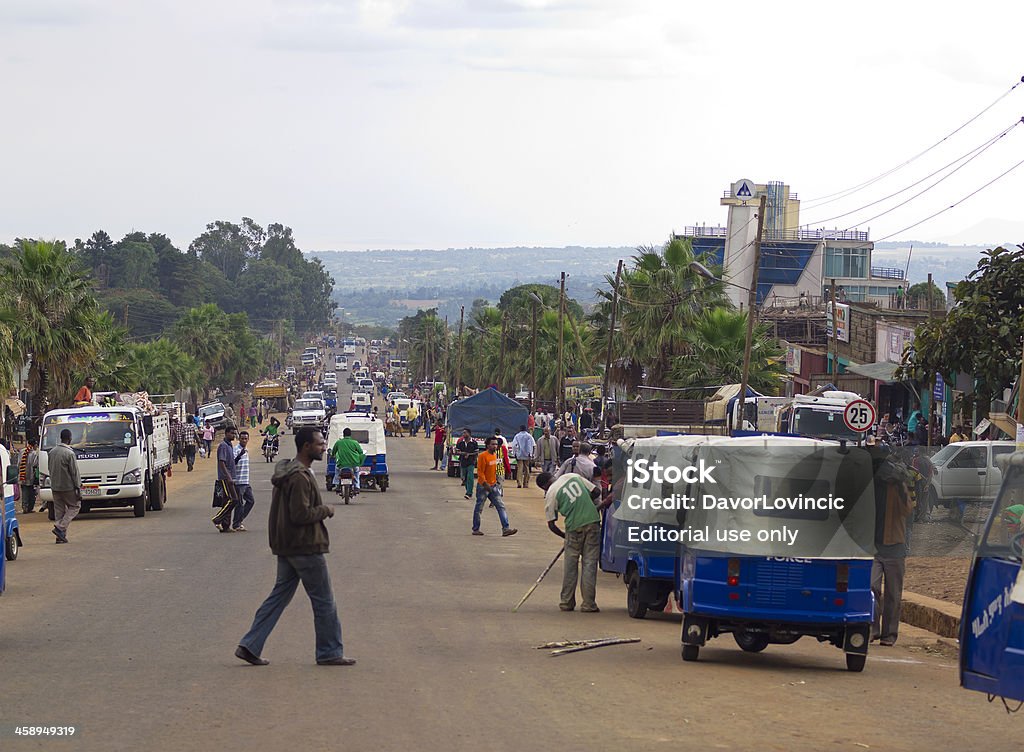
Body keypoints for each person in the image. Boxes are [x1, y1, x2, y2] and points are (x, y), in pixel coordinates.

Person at [235, 427, 355, 667]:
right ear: (306, 447)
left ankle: (249, 645)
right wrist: (326, 510)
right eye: (320, 444)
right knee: (324, 601)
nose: (323, 447)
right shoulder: (299, 477)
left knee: (278, 597)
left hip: (287, 545)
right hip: (304, 546)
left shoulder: (289, 471)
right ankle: (329, 651)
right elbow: (300, 514)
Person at [537, 470, 610, 612]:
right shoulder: (571, 476)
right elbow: (595, 491)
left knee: (571, 566)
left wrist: (565, 536)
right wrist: (588, 504)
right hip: (593, 522)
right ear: (553, 476)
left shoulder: (551, 493)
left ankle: (566, 602)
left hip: (573, 528)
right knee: (589, 564)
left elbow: (551, 524)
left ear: (544, 487)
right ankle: (589, 604)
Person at [871, 450, 915, 646]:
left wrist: (900, 487)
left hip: (895, 547)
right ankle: (872, 629)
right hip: (873, 547)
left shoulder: (899, 488)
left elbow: (908, 510)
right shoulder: (871, 487)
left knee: (893, 594)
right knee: (872, 589)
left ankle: (889, 635)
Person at [472, 437, 517, 537]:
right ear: (487, 445)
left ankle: (506, 528)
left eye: (496, 444)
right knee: (479, 508)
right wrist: (485, 484)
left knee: (501, 506)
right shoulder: (483, 456)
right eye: (492, 444)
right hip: (483, 486)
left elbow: (493, 471)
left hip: (493, 485)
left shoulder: (494, 456)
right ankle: (476, 529)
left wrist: (495, 482)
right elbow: (480, 472)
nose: (495, 446)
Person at [49, 429, 81, 543]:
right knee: (75, 506)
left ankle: (60, 537)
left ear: (61, 438)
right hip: (68, 487)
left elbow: (49, 468)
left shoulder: (52, 452)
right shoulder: (70, 453)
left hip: (55, 486)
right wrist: (78, 487)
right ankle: (60, 528)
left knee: (59, 512)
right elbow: (74, 472)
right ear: (70, 438)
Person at [212, 425, 241, 533]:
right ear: (226, 433)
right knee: (233, 499)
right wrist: (228, 477)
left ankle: (225, 526)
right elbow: (222, 462)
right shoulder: (223, 446)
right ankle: (217, 519)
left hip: (231, 477)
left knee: (227, 501)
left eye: (234, 433)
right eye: (232, 433)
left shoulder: (229, 446)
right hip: (225, 478)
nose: (233, 435)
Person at [231, 430, 256, 531]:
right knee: (239, 504)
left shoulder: (246, 450)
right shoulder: (236, 450)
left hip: (246, 481)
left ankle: (239, 520)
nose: (244, 440)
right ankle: (236, 524)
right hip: (238, 482)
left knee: (251, 501)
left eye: (246, 439)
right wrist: (239, 455)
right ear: (239, 439)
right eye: (242, 438)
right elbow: (232, 464)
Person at [331, 427, 366, 494]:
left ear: (343, 434)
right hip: (354, 464)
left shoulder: (338, 442)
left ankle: (337, 484)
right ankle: (357, 487)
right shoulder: (354, 442)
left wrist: (332, 455)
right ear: (350, 435)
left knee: (337, 471)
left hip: (341, 465)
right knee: (356, 474)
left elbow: (333, 452)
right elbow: (361, 452)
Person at [456, 428, 478, 500]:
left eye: (465, 433)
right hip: (463, 462)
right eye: (463, 433)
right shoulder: (460, 443)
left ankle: (469, 493)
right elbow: (457, 451)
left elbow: (476, 452)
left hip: (471, 462)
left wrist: (469, 454)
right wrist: (463, 453)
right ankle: (468, 490)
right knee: (464, 478)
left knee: (470, 477)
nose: (463, 434)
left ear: (469, 434)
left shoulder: (474, 443)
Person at [18, 438, 39, 514]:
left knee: (25, 492)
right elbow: (35, 465)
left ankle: (25, 507)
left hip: (22, 476)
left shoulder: (21, 451)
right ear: (34, 445)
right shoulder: (34, 453)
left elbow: (18, 463)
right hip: (31, 476)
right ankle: (29, 508)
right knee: (32, 493)